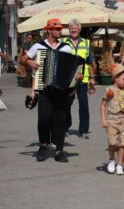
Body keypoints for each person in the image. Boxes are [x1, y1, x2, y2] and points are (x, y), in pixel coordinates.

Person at [21, 18, 82, 162]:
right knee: (43, 120)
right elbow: (23, 60)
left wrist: (77, 77)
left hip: (61, 91)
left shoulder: (65, 48)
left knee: (60, 121)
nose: (59, 31)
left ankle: (59, 151)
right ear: (48, 30)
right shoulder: (38, 46)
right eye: (57, 29)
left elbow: (73, 68)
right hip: (44, 90)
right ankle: (44, 145)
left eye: (60, 29)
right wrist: (30, 62)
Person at [61, 19, 96, 139]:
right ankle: (65, 127)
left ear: (79, 29)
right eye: (71, 28)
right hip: (68, 80)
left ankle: (83, 130)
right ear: (69, 30)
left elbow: (90, 62)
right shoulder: (63, 42)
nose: (73, 30)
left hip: (83, 79)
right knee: (66, 104)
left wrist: (92, 77)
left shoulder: (86, 43)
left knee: (84, 105)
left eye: (75, 28)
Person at [100, 64, 124, 175]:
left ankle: (120, 164)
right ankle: (111, 159)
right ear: (115, 78)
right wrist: (103, 119)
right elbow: (103, 105)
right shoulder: (109, 90)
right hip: (112, 120)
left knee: (122, 144)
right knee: (112, 142)